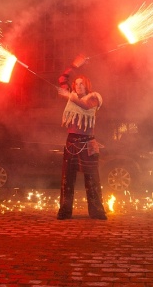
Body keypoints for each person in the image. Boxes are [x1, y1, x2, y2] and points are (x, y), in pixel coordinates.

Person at [56, 55, 107, 220]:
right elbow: (62, 78)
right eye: (76, 84)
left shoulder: (94, 97)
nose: (77, 86)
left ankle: (97, 211)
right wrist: (74, 65)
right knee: (66, 180)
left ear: (87, 86)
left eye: (81, 84)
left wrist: (67, 96)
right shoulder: (73, 98)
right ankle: (64, 211)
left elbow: (84, 105)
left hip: (87, 143)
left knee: (91, 179)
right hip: (71, 142)